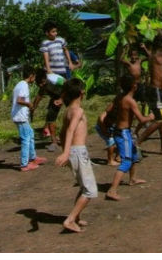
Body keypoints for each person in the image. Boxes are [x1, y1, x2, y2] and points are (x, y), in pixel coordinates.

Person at [55, 78, 97, 233]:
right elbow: (70, 131)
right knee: (90, 190)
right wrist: (66, 153)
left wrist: (66, 151)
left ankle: (76, 216)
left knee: (83, 185)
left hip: (74, 152)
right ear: (81, 93)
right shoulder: (78, 111)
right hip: (78, 152)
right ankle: (70, 219)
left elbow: (62, 133)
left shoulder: (68, 111)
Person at [106, 74, 155, 201]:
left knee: (133, 154)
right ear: (133, 86)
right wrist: (151, 117)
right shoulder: (130, 101)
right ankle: (112, 190)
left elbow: (108, 109)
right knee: (126, 161)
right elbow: (142, 120)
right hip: (123, 133)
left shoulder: (119, 97)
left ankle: (132, 179)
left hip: (119, 130)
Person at [11, 65, 47, 172]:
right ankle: (24, 164)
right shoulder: (24, 86)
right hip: (20, 117)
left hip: (21, 116)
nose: (35, 79)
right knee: (26, 139)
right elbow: (19, 100)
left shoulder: (19, 84)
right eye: (34, 77)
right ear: (31, 76)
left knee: (30, 134)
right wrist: (29, 104)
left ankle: (33, 158)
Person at [32, 68, 64, 152]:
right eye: (39, 84)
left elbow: (69, 86)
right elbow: (39, 95)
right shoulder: (42, 84)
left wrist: (62, 99)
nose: (41, 85)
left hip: (68, 95)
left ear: (45, 78)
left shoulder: (55, 79)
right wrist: (33, 107)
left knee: (70, 116)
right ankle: (54, 142)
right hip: (56, 97)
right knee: (50, 117)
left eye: (43, 83)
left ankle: (64, 138)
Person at [95, 101, 119, 166]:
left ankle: (118, 157)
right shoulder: (106, 113)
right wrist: (105, 131)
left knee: (120, 139)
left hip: (111, 127)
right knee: (111, 141)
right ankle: (110, 161)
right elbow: (101, 119)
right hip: (102, 127)